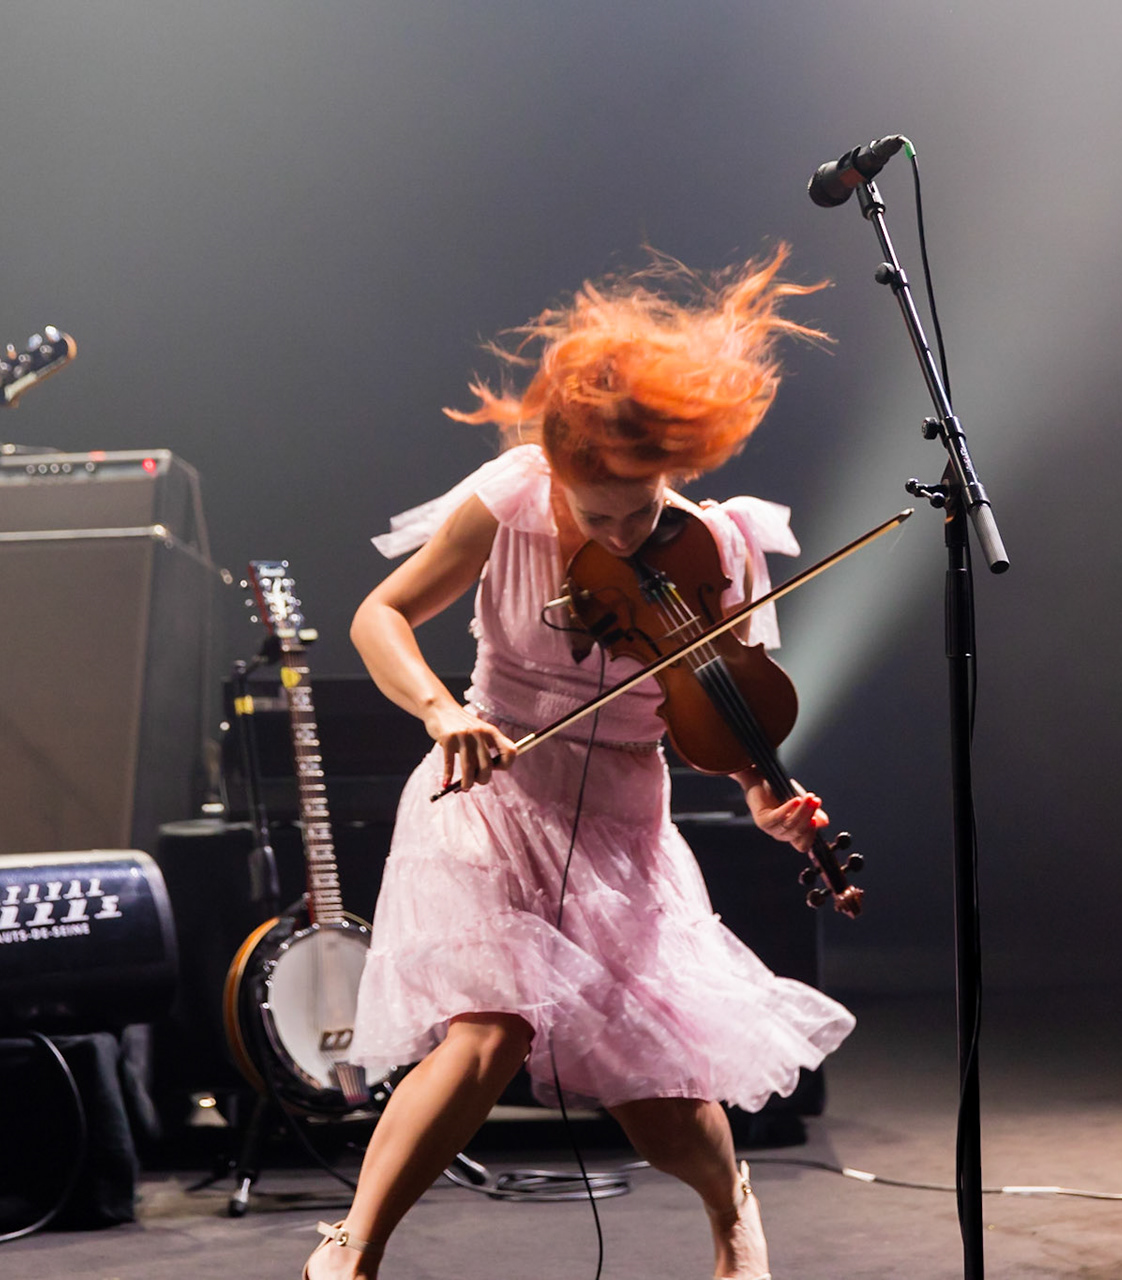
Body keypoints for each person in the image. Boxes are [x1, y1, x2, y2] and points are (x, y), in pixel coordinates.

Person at [315, 247, 856, 1280]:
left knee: (651, 1085)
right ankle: (349, 1252)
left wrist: (765, 797)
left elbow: (722, 736)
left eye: (642, 509)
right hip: (490, 787)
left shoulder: (717, 550)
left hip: (618, 819)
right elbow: (378, 614)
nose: (621, 534)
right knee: (488, 1030)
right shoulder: (510, 498)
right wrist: (439, 711)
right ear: (556, 469)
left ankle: (733, 1209)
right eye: (597, 512)